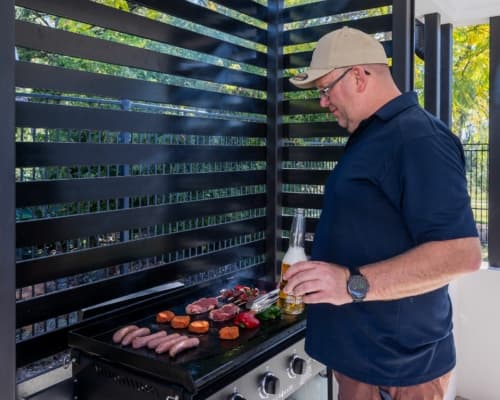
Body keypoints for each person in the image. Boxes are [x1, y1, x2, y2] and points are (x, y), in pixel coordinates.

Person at [286, 26, 482, 400]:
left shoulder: (418, 138)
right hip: (363, 363)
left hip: (396, 373)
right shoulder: (373, 136)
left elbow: (461, 254)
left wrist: (349, 283)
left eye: (326, 89)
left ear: (359, 76)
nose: (323, 102)